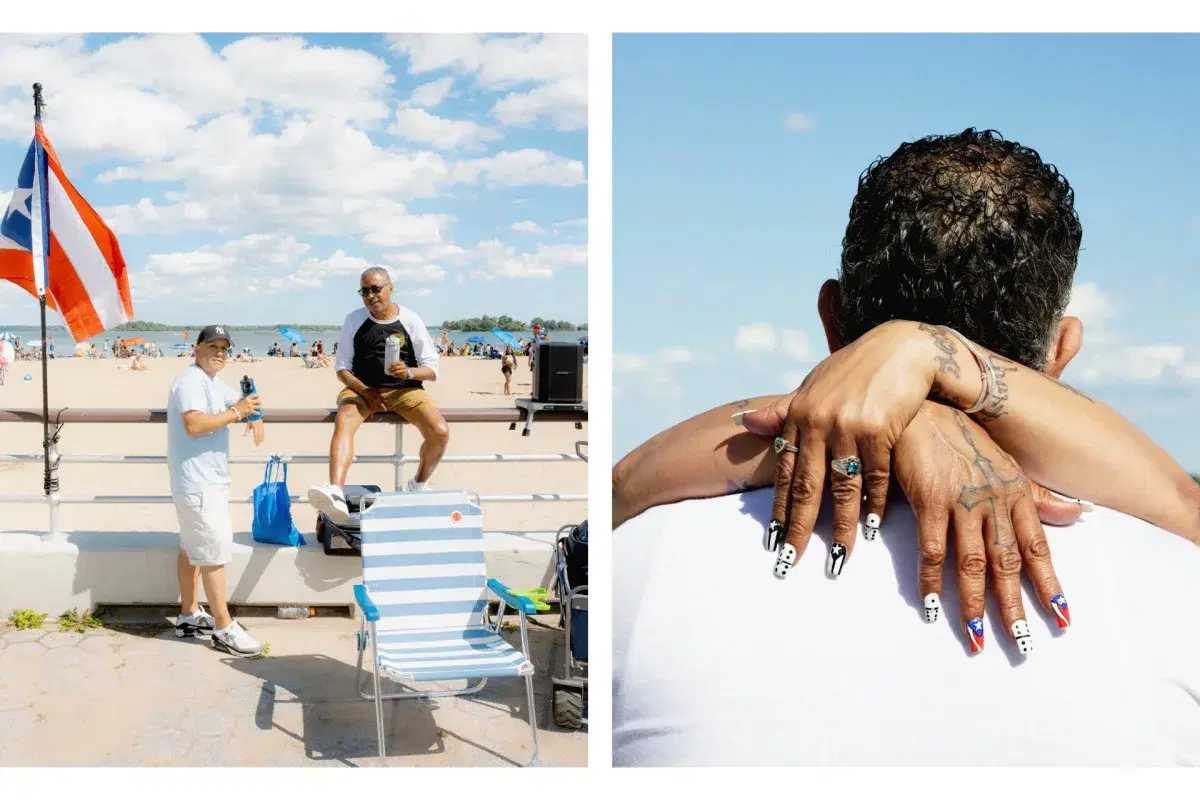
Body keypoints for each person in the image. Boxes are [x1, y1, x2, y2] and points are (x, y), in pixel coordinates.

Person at [612, 129, 1200, 766]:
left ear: (832, 321)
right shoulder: (1176, 588)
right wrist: (925, 384)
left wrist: (893, 401)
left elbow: (624, 484)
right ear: (1062, 349)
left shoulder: (643, 560)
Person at [307, 267, 448, 521]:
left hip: (405, 389)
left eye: (376, 289)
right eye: (364, 291)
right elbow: (342, 368)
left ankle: (418, 483)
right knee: (345, 418)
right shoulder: (354, 320)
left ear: (390, 288)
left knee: (439, 431)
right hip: (362, 389)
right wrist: (366, 392)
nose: (370, 296)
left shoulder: (411, 320)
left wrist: (408, 372)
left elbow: (432, 369)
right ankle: (336, 491)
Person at [167, 324, 266, 657]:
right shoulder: (189, 381)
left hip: (203, 481)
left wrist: (254, 414)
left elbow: (237, 402)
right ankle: (224, 627)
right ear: (196, 349)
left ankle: (188, 614)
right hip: (198, 483)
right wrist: (238, 412)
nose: (220, 353)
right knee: (213, 553)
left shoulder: (210, 381)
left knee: (190, 548)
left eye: (225, 348)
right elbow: (194, 425)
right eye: (213, 347)